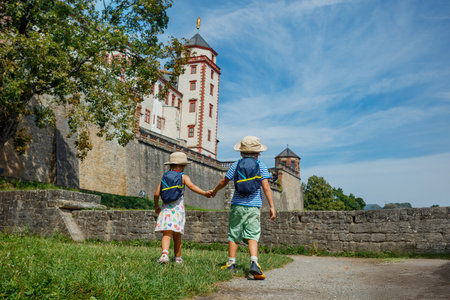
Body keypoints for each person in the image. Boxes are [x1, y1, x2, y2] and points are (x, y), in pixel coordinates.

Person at [210, 136, 276, 280]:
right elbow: (266, 187)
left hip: (237, 205)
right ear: (258, 153)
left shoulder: (236, 165)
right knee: (252, 235)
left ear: (241, 152)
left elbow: (224, 181)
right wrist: (272, 206)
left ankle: (231, 264)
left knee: (234, 233)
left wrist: (214, 191)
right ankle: (254, 262)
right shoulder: (261, 166)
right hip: (253, 206)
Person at [154, 152, 210, 263]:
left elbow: (156, 194)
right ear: (183, 165)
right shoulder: (183, 176)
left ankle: (164, 254)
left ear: (171, 164)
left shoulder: (165, 177)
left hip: (166, 209)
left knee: (167, 234)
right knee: (177, 235)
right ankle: (178, 258)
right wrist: (204, 193)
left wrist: (156, 206)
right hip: (178, 211)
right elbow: (192, 186)